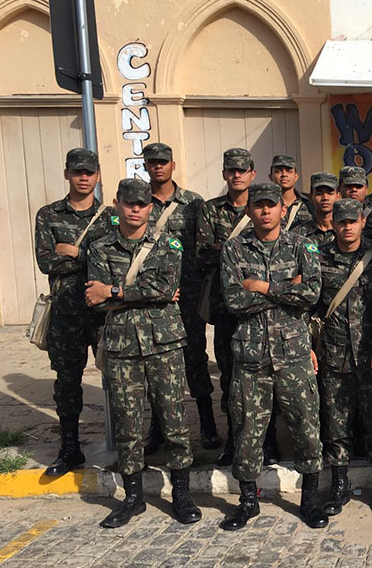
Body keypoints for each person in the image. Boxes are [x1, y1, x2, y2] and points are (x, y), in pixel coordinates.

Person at [86, 178, 200, 528]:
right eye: (129, 203)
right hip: (122, 346)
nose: (135, 209)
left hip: (164, 345)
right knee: (128, 423)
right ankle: (133, 498)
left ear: (151, 208)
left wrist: (115, 291)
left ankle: (181, 494)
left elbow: (166, 288)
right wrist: (143, 293)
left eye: (142, 204)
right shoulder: (100, 247)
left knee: (174, 419)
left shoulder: (169, 244)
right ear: (117, 204)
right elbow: (95, 300)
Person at [218, 182, 328, 531]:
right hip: (251, 355)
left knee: (306, 428)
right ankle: (248, 501)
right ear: (248, 210)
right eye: (259, 205)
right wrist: (287, 288)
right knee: (247, 430)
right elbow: (234, 300)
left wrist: (262, 286)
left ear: (283, 209)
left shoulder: (301, 245)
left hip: (293, 353)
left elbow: (311, 294)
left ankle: (310, 499)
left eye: (271, 205)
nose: (265, 211)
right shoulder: (234, 249)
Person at [34, 148, 113, 477]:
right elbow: (45, 261)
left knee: (118, 378)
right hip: (66, 313)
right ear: (67, 173)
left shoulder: (110, 217)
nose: (83, 177)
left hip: (103, 312)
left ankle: (125, 445)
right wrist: (91, 258)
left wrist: (75, 253)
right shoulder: (48, 214)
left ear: (97, 175)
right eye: (78, 171)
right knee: (67, 381)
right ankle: (70, 448)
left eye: (89, 172)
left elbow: (113, 263)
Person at [316, 198, 372, 517]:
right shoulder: (319, 256)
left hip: (370, 353)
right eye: (341, 221)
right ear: (333, 223)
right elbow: (310, 304)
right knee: (337, 424)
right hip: (333, 354)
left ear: (363, 221)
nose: (347, 227)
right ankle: (339, 485)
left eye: (353, 221)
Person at [140, 142, 221, 455]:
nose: (158, 167)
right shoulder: (139, 201)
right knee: (156, 363)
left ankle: (207, 423)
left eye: (163, 162)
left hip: (187, 294)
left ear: (173, 165)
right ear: (146, 166)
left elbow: (202, 247)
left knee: (195, 357)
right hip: (151, 298)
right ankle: (158, 427)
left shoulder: (192, 202)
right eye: (152, 162)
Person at [196, 148, 269, 466]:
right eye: (231, 170)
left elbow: (269, 252)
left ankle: (266, 441)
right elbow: (202, 255)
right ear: (224, 174)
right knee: (229, 378)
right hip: (225, 308)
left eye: (242, 170)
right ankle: (234, 440)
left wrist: (224, 248)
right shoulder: (210, 210)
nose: (236, 175)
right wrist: (239, 253)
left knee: (263, 376)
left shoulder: (263, 205)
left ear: (253, 173)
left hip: (259, 308)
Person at [293, 172, 339, 247]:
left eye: (330, 193)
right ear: (311, 196)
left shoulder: (345, 232)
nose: (325, 198)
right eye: (319, 193)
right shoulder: (298, 234)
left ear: (338, 196)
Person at [268, 154, 313, 231]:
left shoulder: (309, 204)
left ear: (296, 176)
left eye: (289, 171)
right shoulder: (264, 204)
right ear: (270, 176)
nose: (284, 175)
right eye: (278, 171)